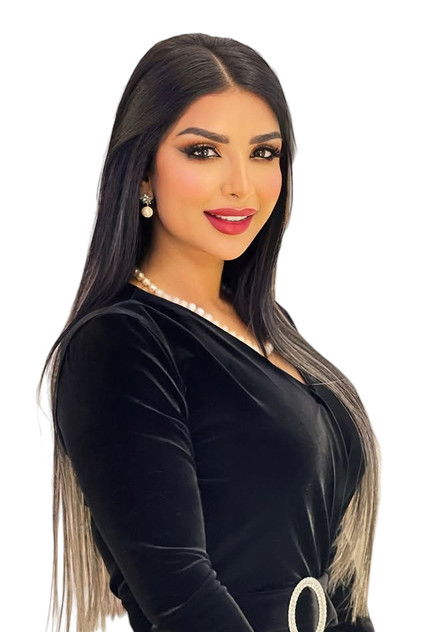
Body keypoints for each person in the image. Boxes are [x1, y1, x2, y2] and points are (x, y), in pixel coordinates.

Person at [38, 33, 380, 632]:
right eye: (203, 152)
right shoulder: (119, 345)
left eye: (264, 153)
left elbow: (340, 585)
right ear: (142, 171)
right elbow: (181, 595)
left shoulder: (272, 329)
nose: (241, 185)